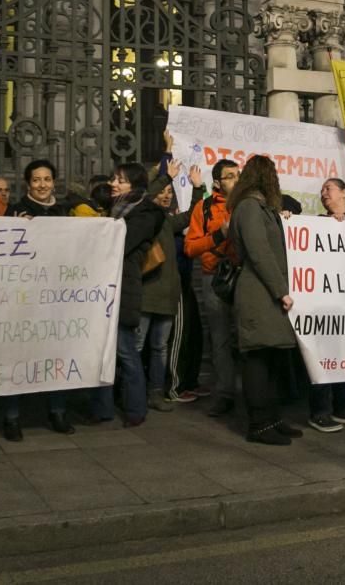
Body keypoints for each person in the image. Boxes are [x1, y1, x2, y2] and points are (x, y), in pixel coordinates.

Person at [227, 155, 302, 446]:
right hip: (259, 292)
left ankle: (272, 417)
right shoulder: (249, 207)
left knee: (271, 358)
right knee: (257, 358)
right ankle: (258, 424)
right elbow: (259, 252)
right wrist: (281, 290)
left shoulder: (261, 208)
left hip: (266, 292)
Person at [87, 163, 166, 427]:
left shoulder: (145, 214)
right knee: (102, 352)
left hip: (124, 290)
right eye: (112, 179)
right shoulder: (116, 210)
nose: (113, 184)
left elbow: (119, 245)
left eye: (120, 180)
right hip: (105, 289)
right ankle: (102, 408)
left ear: (135, 185)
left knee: (125, 351)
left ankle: (135, 409)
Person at [1, 159, 75, 440]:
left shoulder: (64, 211)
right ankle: (11, 416)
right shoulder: (15, 210)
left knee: (56, 355)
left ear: (53, 182)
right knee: (17, 356)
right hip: (23, 299)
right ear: (28, 184)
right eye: (36, 180)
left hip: (56, 297)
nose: (42, 185)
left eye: (47, 179)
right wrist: (13, 230)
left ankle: (57, 411)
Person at [307, 178, 345, 433]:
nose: (323, 193)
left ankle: (343, 406)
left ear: (344, 192)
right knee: (323, 357)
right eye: (321, 190)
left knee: (343, 356)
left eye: (328, 188)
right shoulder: (318, 224)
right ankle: (320, 411)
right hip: (325, 303)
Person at [140, 156, 200, 412]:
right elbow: (145, 197)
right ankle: (132, 390)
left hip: (166, 295)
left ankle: (155, 392)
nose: (165, 196)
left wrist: (198, 189)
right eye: (161, 192)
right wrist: (167, 176)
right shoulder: (144, 216)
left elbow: (191, 216)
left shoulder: (167, 221)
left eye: (169, 193)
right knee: (136, 345)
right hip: (145, 294)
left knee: (159, 347)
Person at [184, 158, 242, 418]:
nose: (237, 180)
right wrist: (219, 235)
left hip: (245, 277)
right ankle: (226, 393)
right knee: (219, 339)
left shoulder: (248, 204)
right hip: (215, 278)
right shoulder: (204, 207)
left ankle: (254, 392)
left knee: (247, 336)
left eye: (238, 174)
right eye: (230, 176)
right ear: (217, 182)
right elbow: (190, 247)